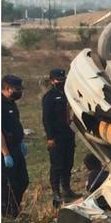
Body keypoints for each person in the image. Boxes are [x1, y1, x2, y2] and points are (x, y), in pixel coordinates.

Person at [41, 69, 78, 207]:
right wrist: (50, 137)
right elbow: (46, 119)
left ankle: (67, 189)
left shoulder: (67, 94)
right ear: (52, 81)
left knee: (68, 163)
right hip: (56, 136)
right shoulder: (49, 97)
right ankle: (56, 193)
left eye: (63, 79)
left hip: (68, 134)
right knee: (57, 165)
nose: (61, 82)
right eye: (58, 80)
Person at [1, 75, 29, 218]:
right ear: (7, 88)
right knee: (8, 184)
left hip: (16, 147)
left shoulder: (11, 103)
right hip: (5, 150)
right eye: (16, 89)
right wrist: (5, 153)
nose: (19, 92)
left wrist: (21, 141)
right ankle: (8, 214)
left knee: (23, 180)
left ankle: (14, 209)